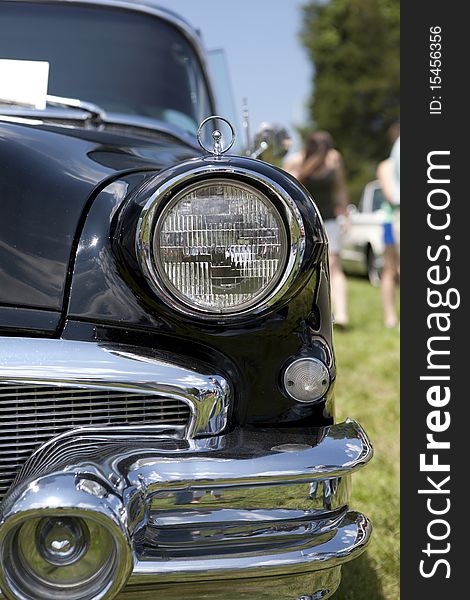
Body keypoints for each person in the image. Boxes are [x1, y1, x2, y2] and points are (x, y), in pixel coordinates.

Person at [284, 131, 350, 328]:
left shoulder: (334, 159)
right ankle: (306, 313)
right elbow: (287, 185)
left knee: (335, 264)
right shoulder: (297, 160)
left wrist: (345, 214)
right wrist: (306, 167)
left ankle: (342, 315)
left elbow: (340, 187)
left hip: (329, 219)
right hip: (305, 222)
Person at [377, 132, 400, 328]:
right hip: (391, 221)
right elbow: (392, 196)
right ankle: (390, 317)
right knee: (391, 270)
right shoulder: (386, 166)